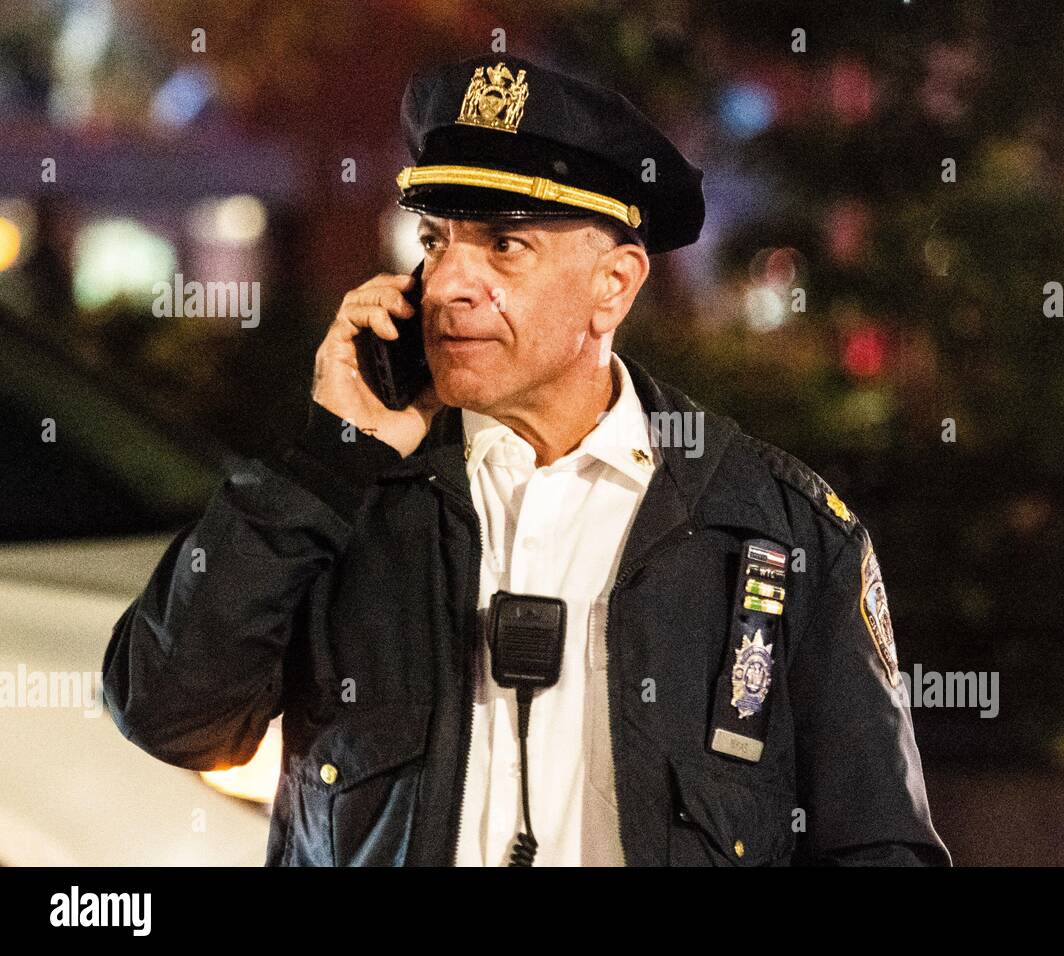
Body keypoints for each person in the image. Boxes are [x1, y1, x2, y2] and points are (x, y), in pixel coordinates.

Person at [103, 54, 950, 867]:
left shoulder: (772, 526)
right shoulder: (343, 499)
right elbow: (168, 713)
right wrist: (328, 462)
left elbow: (876, 846)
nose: (446, 284)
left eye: (504, 245)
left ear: (612, 285)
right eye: (435, 240)